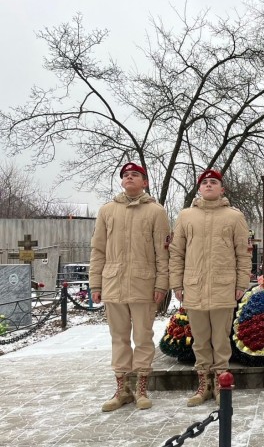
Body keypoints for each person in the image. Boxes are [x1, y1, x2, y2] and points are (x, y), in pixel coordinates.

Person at [90, 162, 170, 412]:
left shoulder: (156, 212)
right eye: (125, 175)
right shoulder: (107, 211)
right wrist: (96, 283)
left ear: (144, 182)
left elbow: (163, 253)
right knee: (119, 338)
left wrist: (161, 284)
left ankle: (141, 388)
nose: (129, 178)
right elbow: (98, 250)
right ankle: (122, 389)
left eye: (135, 175)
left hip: (143, 285)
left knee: (143, 338)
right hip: (113, 284)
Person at [169, 169, 252, 406]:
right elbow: (176, 253)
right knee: (200, 340)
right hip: (194, 288)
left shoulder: (235, 217)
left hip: (223, 288)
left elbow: (243, 254)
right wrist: (177, 283)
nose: (208, 185)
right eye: (204, 182)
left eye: (213, 182)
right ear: (199, 188)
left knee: (221, 339)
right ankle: (203, 384)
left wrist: (241, 284)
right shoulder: (186, 216)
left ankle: (220, 384)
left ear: (222, 189)